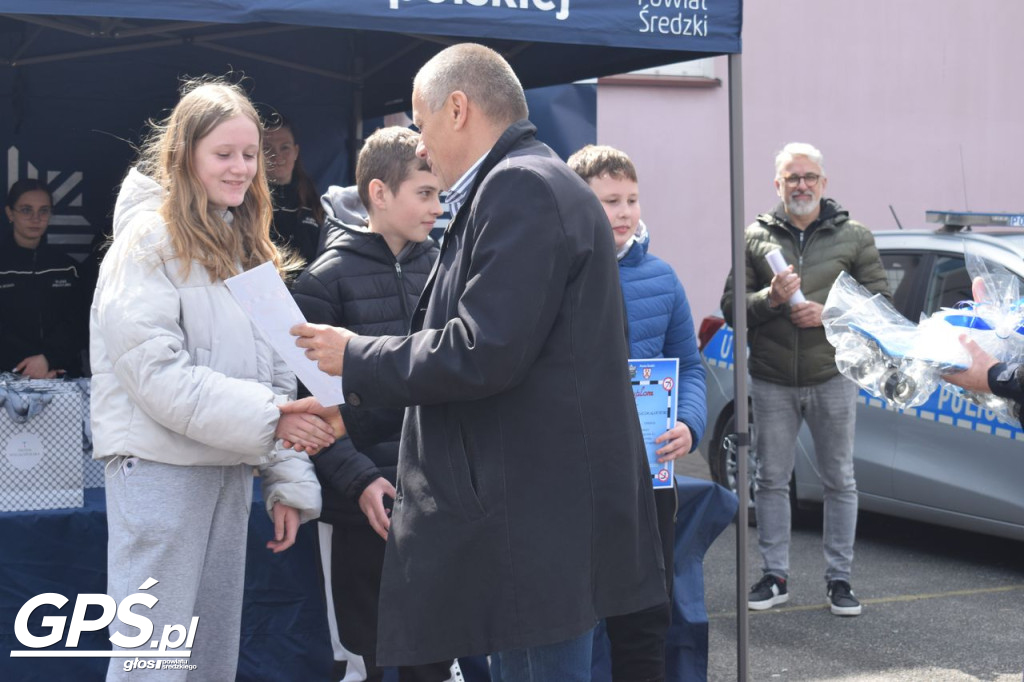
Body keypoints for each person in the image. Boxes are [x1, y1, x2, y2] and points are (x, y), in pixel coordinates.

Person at [289, 43, 667, 682]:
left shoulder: (519, 185)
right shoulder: (524, 181)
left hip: (532, 522)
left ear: (458, 108)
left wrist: (355, 356)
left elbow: (481, 351)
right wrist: (354, 417)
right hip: (536, 514)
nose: (419, 143)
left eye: (420, 121)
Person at [90, 78, 336, 680]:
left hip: (226, 472)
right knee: (153, 664)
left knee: (207, 662)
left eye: (250, 155)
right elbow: (155, 373)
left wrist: (285, 476)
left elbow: (277, 371)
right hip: (160, 476)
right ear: (185, 155)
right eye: (223, 154)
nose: (241, 168)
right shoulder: (146, 242)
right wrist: (274, 424)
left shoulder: (244, 247)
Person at [291, 126, 452, 682]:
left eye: (439, 193)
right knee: (370, 658)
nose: (438, 206)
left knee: (434, 659)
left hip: (441, 504)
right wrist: (360, 483)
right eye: (425, 193)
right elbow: (310, 412)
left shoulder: (451, 271)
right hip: (363, 514)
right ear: (379, 193)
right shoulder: (321, 283)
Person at [721, 142, 889, 618]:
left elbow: (881, 305)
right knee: (770, 479)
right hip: (772, 378)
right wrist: (771, 299)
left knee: (840, 480)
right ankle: (775, 576)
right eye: (792, 177)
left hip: (832, 375)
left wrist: (830, 314)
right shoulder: (756, 237)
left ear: (824, 183)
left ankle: (840, 580)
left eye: (809, 177)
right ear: (778, 184)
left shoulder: (853, 236)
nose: (801, 185)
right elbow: (731, 308)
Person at [567, 144, 706, 681]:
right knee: (572, 621)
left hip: (650, 478)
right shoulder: (556, 274)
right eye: (609, 201)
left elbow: (691, 367)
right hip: (577, 478)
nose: (624, 213)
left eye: (631, 199)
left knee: (645, 619)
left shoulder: (663, 278)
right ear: (581, 205)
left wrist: (689, 426)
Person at [0, 179, 86, 377]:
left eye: (43, 210)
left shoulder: (68, 267)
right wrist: (27, 369)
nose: (36, 218)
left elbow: (80, 322)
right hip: (6, 382)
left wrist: (49, 360)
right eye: (26, 210)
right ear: (10, 213)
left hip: (61, 378)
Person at [265, 115, 325, 264]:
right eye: (267, 148)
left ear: (296, 152)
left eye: (284, 147)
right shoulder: (247, 203)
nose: (277, 155)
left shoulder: (314, 201)